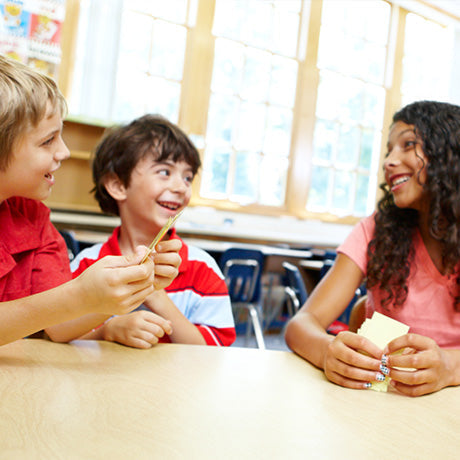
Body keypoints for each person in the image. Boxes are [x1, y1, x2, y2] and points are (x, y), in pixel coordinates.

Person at [0, 54, 182, 346]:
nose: (64, 152)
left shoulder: (34, 219)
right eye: (48, 141)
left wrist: (129, 286)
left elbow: (58, 327)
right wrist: (79, 295)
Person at [285, 100, 460, 397]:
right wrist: (328, 351)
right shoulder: (375, 230)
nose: (389, 161)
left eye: (407, 145)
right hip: (382, 404)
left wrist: (450, 366)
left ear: (449, 155)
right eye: (389, 150)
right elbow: (301, 324)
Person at [71, 114, 236, 348]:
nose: (181, 187)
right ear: (118, 186)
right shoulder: (86, 265)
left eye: (188, 177)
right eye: (164, 172)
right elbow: (56, 341)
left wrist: (155, 295)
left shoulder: (203, 268)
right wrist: (107, 331)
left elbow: (217, 354)